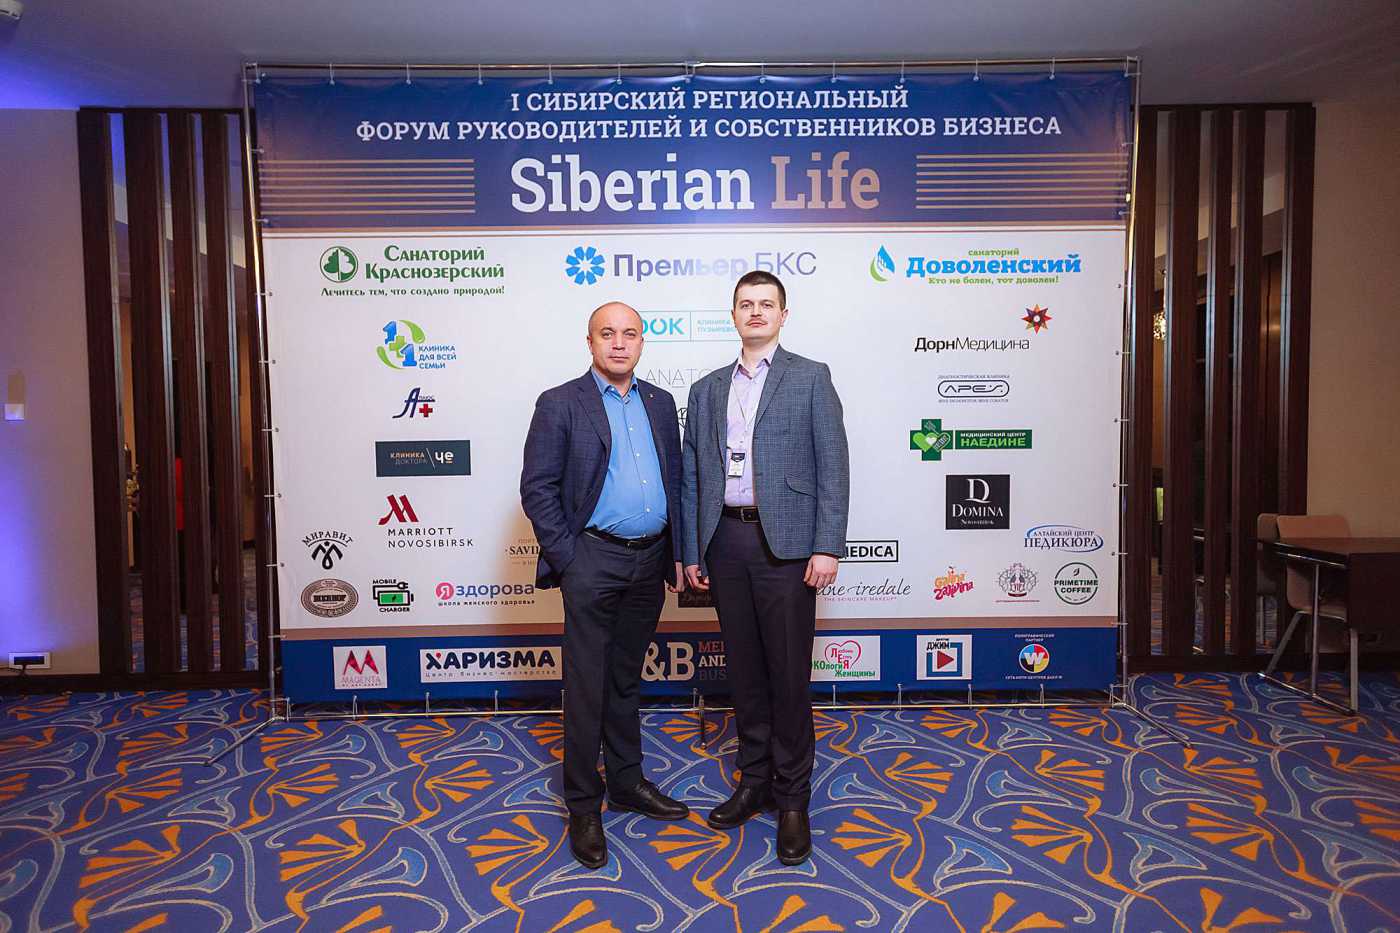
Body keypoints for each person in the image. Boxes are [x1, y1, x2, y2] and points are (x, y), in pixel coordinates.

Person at [681, 270, 850, 865]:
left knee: (787, 676)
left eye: (766, 304)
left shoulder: (810, 377)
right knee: (746, 674)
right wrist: (691, 550)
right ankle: (753, 781)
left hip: (789, 549)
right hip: (726, 542)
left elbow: (834, 465)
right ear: (733, 315)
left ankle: (793, 798)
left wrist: (827, 545)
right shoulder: (706, 389)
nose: (755, 312)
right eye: (746, 304)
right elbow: (693, 475)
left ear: (783, 315)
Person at [520, 301, 689, 869]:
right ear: (589, 342)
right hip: (592, 559)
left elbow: (675, 482)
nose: (619, 343)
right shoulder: (560, 402)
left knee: (624, 679)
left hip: (650, 560)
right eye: (607, 334)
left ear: (642, 343)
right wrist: (571, 560)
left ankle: (627, 782)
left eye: (630, 334)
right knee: (587, 686)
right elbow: (538, 488)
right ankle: (583, 805)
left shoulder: (660, 403)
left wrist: (678, 553)